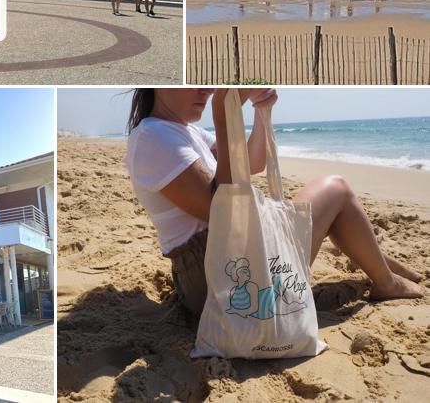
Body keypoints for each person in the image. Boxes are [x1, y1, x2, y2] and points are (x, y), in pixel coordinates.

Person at [125, 88, 422, 319]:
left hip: (223, 262)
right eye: (192, 85)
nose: (205, 90)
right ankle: (386, 282)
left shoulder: (184, 131)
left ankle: (380, 263)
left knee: (324, 201)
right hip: (217, 276)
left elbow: (252, 163)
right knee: (335, 189)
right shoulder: (152, 136)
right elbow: (222, 210)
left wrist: (261, 112)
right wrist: (224, 116)